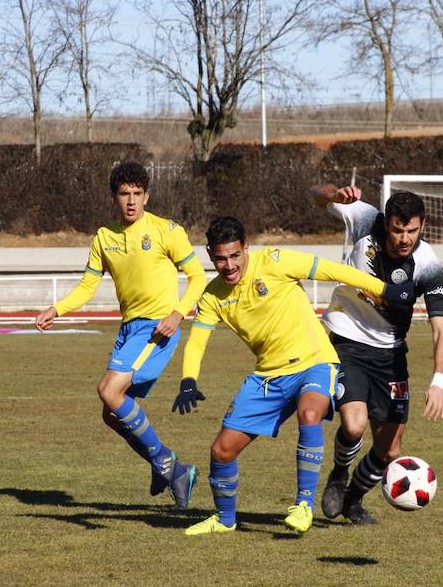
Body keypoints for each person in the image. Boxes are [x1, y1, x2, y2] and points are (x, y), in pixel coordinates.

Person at [175, 216, 415, 536]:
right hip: (268, 376)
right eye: (220, 258)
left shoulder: (275, 261)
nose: (229, 265)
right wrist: (188, 379)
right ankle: (225, 518)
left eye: (235, 255)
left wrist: (384, 289)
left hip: (314, 361)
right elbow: (197, 340)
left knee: (310, 411)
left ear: (246, 248)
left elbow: (333, 270)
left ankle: (303, 505)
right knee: (221, 450)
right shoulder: (212, 296)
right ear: (210, 255)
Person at [35, 161, 206, 508]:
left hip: (158, 327)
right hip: (129, 329)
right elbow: (87, 286)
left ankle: (163, 460)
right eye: (124, 194)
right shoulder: (104, 237)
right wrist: (58, 309)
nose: (131, 201)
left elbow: (198, 276)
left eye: (137, 194)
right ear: (114, 197)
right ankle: (177, 471)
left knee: (107, 390)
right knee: (111, 412)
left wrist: (177, 313)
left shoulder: (166, 231)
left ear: (147, 195)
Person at [311, 183, 443, 525]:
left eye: (412, 231)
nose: (405, 238)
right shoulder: (364, 219)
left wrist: (438, 381)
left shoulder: (427, 262)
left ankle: (353, 501)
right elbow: (316, 195)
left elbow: (441, 328)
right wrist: (333, 194)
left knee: (390, 450)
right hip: (348, 339)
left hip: (390, 353)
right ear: (386, 222)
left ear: (423, 225)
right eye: (397, 230)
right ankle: (339, 473)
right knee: (355, 424)